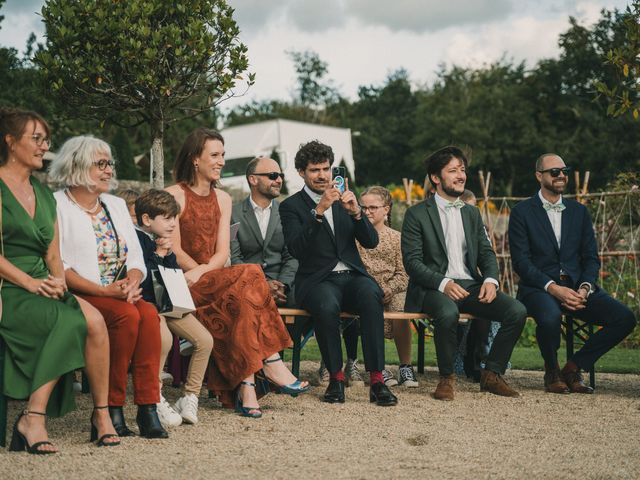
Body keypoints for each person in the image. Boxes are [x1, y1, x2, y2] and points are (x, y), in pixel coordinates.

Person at [166, 127, 309, 419]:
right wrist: (199, 273)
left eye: (223, 155)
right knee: (250, 276)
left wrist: (205, 270)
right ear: (195, 159)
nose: (221, 161)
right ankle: (271, 361)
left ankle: (247, 388)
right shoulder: (174, 195)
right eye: (214, 155)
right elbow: (175, 251)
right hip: (183, 282)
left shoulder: (223, 199)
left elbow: (222, 253)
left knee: (244, 292)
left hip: (213, 277)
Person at [0, 108, 118, 453]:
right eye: (36, 139)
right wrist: (31, 283)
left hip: (42, 281)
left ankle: (101, 416)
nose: (43, 146)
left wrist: (57, 283)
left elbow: (53, 255)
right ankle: (32, 418)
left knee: (95, 322)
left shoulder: (42, 192)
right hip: (9, 286)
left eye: (45, 139)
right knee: (69, 320)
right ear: (10, 141)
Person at [50, 135, 168, 439]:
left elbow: (137, 255)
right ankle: (110, 409)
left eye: (109, 163)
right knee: (127, 316)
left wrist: (133, 281)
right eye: (100, 164)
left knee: (149, 314)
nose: (108, 170)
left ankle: (147, 407)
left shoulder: (115, 205)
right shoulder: (57, 205)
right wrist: (105, 292)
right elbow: (60, 265)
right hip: (79, 293)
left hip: (119, 293)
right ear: (76, 165)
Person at [401, 145, 527, 401]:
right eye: (453, 171)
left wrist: (491, 280)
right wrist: (443, 283)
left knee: (516, 311)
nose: (461, 175)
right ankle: (446, 378)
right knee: (447, 312)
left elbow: (486, 252)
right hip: (432, 287)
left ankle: (491, 374)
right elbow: (412, 263)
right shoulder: (416, 214)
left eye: (462, 170)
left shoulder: (471, 212)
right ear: (436, 178)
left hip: (469, 285)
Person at [280, 140, 397, 406]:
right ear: (301, 172)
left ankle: (377, 380)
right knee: (326, 304)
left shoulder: (346, 199)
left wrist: (357, 213)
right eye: (314, 170)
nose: (322, 175)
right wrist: (319, 210)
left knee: (371, 295)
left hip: (353, 276)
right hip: (317, 279)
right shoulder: (291, 207)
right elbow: (297, 248)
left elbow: (371, 242)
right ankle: (335, 377)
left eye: (326, 168)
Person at [508, 153, 636, 393]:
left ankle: (574, 366)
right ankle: (552, 370)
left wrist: (585, 288)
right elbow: (522, 263)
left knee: (625, 318)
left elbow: (590, 258)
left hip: (578, 288)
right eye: (554, 171)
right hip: (539, 289)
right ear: (539, 176)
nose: (561, 175)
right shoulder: (522, 212)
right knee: (549, 317)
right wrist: (554, 289)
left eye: (564, 171)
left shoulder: (579, 212)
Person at [134, 189, 214, 426]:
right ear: (147, 219)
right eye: (167, 218)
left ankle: (189, 396)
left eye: (174, 218)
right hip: (146, 304)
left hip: (168, 305)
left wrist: (167, 254)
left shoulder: (163, 242)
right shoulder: (135, 239)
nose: (172, 224)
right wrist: (159, 255)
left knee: (204, 340)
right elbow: (143, 278)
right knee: (165, 339)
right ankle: (154, 396)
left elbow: (173, 276)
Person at [357, 186, 418, 388]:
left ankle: (405, 366)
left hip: (393, 288)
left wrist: (390, 287)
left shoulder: (397, 238)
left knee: (400, 306)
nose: (367, 212)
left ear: (386, 209)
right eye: (363, 207)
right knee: (366, 304)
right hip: (364, 287)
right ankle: (379, 366)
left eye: (373, 207)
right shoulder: (354, 237)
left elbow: (404, 273)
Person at [230, 157, 297, 307]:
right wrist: (261, 285)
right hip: (247, 283)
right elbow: (235, 258)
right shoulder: (232, 214)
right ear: (253, 180)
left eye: (281, 176)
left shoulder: (288, 212)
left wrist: (283, 285)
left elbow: (292, 256)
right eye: (273, 175)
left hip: (283, 286)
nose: (279, 180)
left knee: (301, 297)